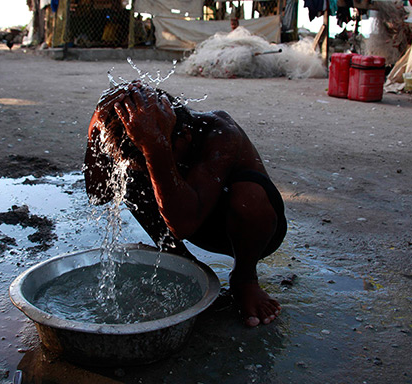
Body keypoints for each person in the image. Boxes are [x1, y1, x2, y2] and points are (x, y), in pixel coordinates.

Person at [84, 81, 287, 327]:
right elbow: (99, 195)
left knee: (249, 197)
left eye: (168, 149)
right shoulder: (135, 137)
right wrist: (96, 129)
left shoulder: (220, 133)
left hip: (247, 230)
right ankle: (182, 261)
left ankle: (244, 278)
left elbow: (183, 225)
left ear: (185, 136)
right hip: (182, 215)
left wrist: (155, 148)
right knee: (127, 176)